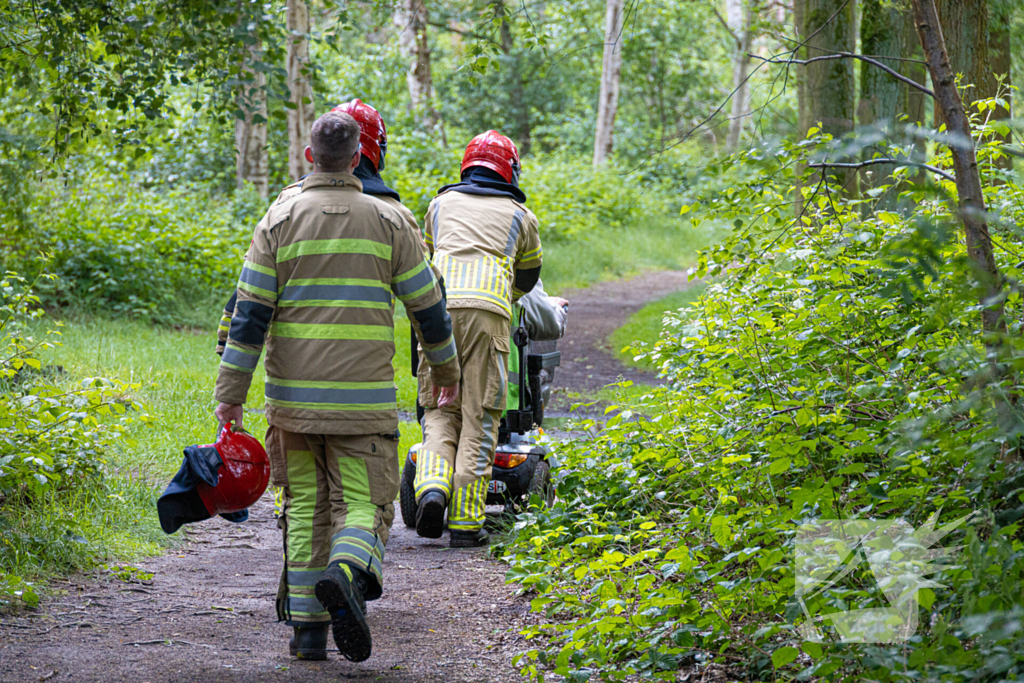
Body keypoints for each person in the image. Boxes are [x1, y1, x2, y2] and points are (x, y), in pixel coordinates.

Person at [212, 111, 460, 663]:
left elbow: (249, 316)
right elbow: (430, 310)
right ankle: (347, 573)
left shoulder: (278, 218)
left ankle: (306, 633)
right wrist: (446, 374)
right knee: (364, 506)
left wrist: (231, 394)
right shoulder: (390, 220)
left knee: (303, 508)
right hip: (362, 410)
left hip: (292, 408)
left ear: (309, 156)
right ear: (357, 159)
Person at [216, 98, 433, 356]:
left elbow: (253, 276)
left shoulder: (288, 201)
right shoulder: (396, 214)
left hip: (293, 364)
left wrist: (226, 337)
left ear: (315, 151)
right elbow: (426, 293)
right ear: (375, 151)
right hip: (364, 361)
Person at [414, 130, 543, 548]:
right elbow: (527, 276)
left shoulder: (439, 204)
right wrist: (503, 297)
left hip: (437, 312)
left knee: (438, 409)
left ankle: (432, 488)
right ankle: (467, 524)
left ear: (468, 166)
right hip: (488, 314)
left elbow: (427, 256)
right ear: (510, 170)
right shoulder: (521, 217)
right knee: (480, 415)